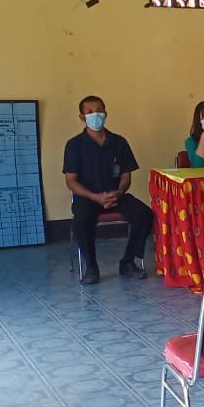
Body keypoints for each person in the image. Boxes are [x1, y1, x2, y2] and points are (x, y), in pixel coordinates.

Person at [62, 95, 153, 285]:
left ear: (106, 114)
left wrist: (118, 192)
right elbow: (71, 181)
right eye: (90, 112)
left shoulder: (119, 142)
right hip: (88, 197)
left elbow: (126, 176)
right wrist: (94, 196)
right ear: (82, 117)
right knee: (81, 220)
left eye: (99, 111)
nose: (96, 115)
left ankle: (128, 262)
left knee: (144, 214)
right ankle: (91, 267)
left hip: (115, 195)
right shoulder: (74, 145)